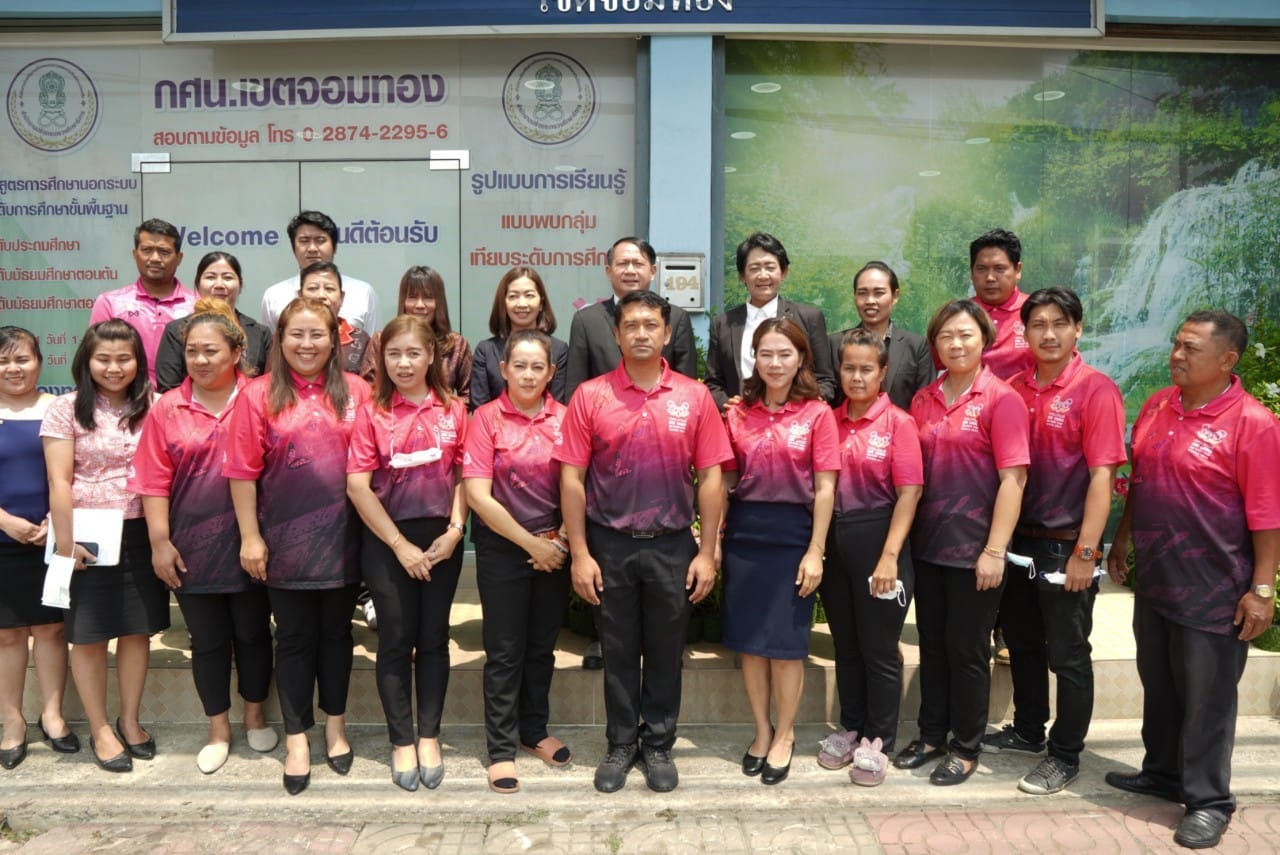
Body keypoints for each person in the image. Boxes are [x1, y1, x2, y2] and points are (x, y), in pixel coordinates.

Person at [1105, 310, 1280, 850]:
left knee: (1208, 699)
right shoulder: (1159, 404)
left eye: (1191, 349)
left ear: (1228, 360)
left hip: (1215, 587)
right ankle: (1162, 772)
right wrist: (1122, 539)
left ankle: (1209, 802)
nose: (1177, 356)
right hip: (1157, 576)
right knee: (1158, 682)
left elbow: (1267, 514)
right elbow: (1142, 480)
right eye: (1176, 345)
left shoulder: (1253, 424)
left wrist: (1263, 590)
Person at [554, 289, 732, 794]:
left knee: (665, 650)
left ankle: (657, 743)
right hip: (608, 544)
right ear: (616, 334)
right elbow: (571, 479)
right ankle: (619, 743)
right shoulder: (591, 396)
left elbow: (711, 477)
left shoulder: (693, 397)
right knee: (617, 650)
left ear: (667, 333)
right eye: (630, 325)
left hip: (672, 544)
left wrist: (707, 551)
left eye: (651, 325)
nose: (640, 333)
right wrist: (580, 553)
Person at [224, 298, 372, 795]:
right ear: (280, 339)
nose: (306, 345)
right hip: (282, 542)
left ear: (334, 341)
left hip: (346, 540)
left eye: (317, 335)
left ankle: (335, 728)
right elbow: (241, 473)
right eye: (296, 335)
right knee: (292, 639)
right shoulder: (257, 395)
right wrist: (250, 537)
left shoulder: (358, 391)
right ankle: (296, 738)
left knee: (337, 636)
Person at [129, 300, 279, 775]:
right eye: (192, 351)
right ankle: (218, 729)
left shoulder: (262, 396)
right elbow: (153, 480)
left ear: (237, 352)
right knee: (208, 640)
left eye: (211, 350)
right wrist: (160, 542)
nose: (199, 359)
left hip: (255, 541)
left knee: (253, 633)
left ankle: (255, 716)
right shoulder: (167, 408)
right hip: (192, 546)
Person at [986, 287, 1126, 795]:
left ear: (1077, 329)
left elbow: (1102, 476)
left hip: (1066, 545)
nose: (1048, 334)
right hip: (1018, 539)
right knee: (1022, 643)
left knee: (1067, 654)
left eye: (1059, 323)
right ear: (1023, 332)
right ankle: (1028, 730)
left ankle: (1064, 754)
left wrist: (1087, 552)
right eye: (1038, 324)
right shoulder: (1012, 389)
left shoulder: (1096, 390)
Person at [892, 299, 1028, 786]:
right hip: (928, 547)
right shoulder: (924, 400)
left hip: (975, 551)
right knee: (933, 646)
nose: (956, 343)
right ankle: (932, 735)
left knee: (968, 652)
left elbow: (1013, 480)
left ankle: (966, 746)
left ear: (984, 339)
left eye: (966, 334)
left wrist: (995, 550)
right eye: (946, 335)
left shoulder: (1001, 399)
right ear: (935, 344)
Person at [41, 319, 170, 773]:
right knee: (89, 636)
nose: (114, 368)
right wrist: (65, 544)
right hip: (86, 536)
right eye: (103, 359)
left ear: (138, 362)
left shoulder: (154, 404)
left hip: (141, 531)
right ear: (86, 361)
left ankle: (129, 721)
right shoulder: (66, 408)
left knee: (137, 632)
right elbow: (59, 481)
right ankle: (100, 728)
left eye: (124, 359)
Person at [563, 236, 698, 670]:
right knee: (606, 565)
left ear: (653, 270)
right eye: (621, 262)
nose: (630, 269)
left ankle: (665, 646)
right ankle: (604, 639)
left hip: (661, 457)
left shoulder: (675, 317)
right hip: (604, 454)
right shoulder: (588, 320)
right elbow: (573, 387)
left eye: (638, 262)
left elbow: (687, 388)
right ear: (608, 271)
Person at [346, 314, 468, 793]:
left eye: (414, 353)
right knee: (396, 640)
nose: (404, 363)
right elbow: (358, 486)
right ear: (382, 359)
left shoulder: (454, 410)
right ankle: (401, 740)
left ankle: (429, 737)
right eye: (394, 354)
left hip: (441, 540)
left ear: (431, 356)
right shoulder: (371, 413)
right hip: (386, 540)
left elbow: (465, 476)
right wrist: (399, 545)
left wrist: (456, 531)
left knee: (434, 638)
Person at [720, 318, 838, 786]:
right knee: (751, 646)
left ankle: (786, 734)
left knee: (787, 648)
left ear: (801, 358)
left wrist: (816, 550)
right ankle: (762, 730)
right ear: (754, 358)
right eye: (765, 354)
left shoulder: (817, 414)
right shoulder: (738, 413)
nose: (774, 363)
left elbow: (825, 488)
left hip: (793, 536)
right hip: (744, 535)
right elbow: (725, 479)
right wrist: (712, 538)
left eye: (785, 354)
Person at [463, 330, 573, 794]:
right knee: (505, 651)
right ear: (503, 370)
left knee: (541, 647)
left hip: (555, 548)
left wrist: (560, 541)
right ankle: (501, 749)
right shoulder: (485, 419)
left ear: (551, 373)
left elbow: (579, 486)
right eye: (520, 366)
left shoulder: (566, 419)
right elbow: (477, 495)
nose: (528, 375)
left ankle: (534, 731)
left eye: (537, 367)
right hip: (505, 549)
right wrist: (532, 545)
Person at [817, 327, 923, 781]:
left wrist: (890, 557)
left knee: (878, 649)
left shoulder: (899, 423)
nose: (857, 377)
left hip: (880, 541)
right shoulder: (828, 420)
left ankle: (879, 739)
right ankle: (852, 726)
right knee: (846, 645)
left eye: (866, 369)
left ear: (883, 372)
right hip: (836, 544)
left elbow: (909, 493)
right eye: (849, 368)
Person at [0, 327, 77, 769]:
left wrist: (55, 522)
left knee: (51, 631)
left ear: (40, 362)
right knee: (7, 635)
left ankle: (53, 716)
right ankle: (12, 722)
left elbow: (73, 473)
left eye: (22, 359)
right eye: (4, 361)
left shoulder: (59, 408)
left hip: (51, 539)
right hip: (2, 539)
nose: (14, 368)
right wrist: (6, 521)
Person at [705, 231, 836, 409]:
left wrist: (805, 407)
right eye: (754, 268)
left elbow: (825, 380)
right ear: (742, 276)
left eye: (770, 267)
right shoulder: (723, 324)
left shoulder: (808, 317)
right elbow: (713, 383)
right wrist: (726, 404)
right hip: (742, 420)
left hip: (793, 420)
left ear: (783, 272)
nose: (763, 275)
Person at [90, 218, 197, 385]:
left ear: (179, 258)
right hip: (126, 397)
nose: (155, 258)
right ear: (135, 254)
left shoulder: (197, 305)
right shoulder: (110, 303)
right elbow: (96, 357)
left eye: (164, 252)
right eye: (147, 250)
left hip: (181, 397)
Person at [153, 252, 272, 392]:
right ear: (198, 284)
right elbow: (168, 386)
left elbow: (268, 385)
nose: (219, 284)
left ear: (240, 285)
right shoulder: (176, 330)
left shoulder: (260, 333)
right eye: (210, 277)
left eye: (227, 277)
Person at [827, 261, 934, 411]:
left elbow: (925, 402)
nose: (870, 301)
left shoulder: (917, 346)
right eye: (862, 293)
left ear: (895, 296)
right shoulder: (834, 344)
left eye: (879, 293)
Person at [359, 266, 472, 402]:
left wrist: (447, 411)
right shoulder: (381, 339)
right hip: (390, 414)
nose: (420, 305)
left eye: (428, 298)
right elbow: (367, 390)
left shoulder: (456, 344)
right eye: (412, 297)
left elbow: (468, 395)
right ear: (403, 301)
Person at [260, 211, 379, 333]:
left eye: (320, 240)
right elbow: (271, 343)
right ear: (293, 248)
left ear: (335, 247)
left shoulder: (363, 292)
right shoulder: (274, 296)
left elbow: (371, 343)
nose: (312, 249)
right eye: (304, 241)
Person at [470, 267, 569, 408]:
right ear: (503, 303)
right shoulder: (486, 350)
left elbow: (557, 406)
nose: (521, 304)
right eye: (513, 296)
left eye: (529, 295)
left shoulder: (558, 349)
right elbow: (479, 407)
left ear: (541, 303)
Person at [968, 228, 1033, 381]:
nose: (990, 278)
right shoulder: (959, 315)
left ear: (1017, 270)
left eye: (999, 269)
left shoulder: (1036, 311)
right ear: (971, 272)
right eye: (981, 269)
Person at [299, 261, 369, 375]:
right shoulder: (285, 336)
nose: (321, 295)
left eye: (329, 288)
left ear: (342, 297)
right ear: (300, 296)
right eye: (312, 288)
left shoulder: (360, 338)